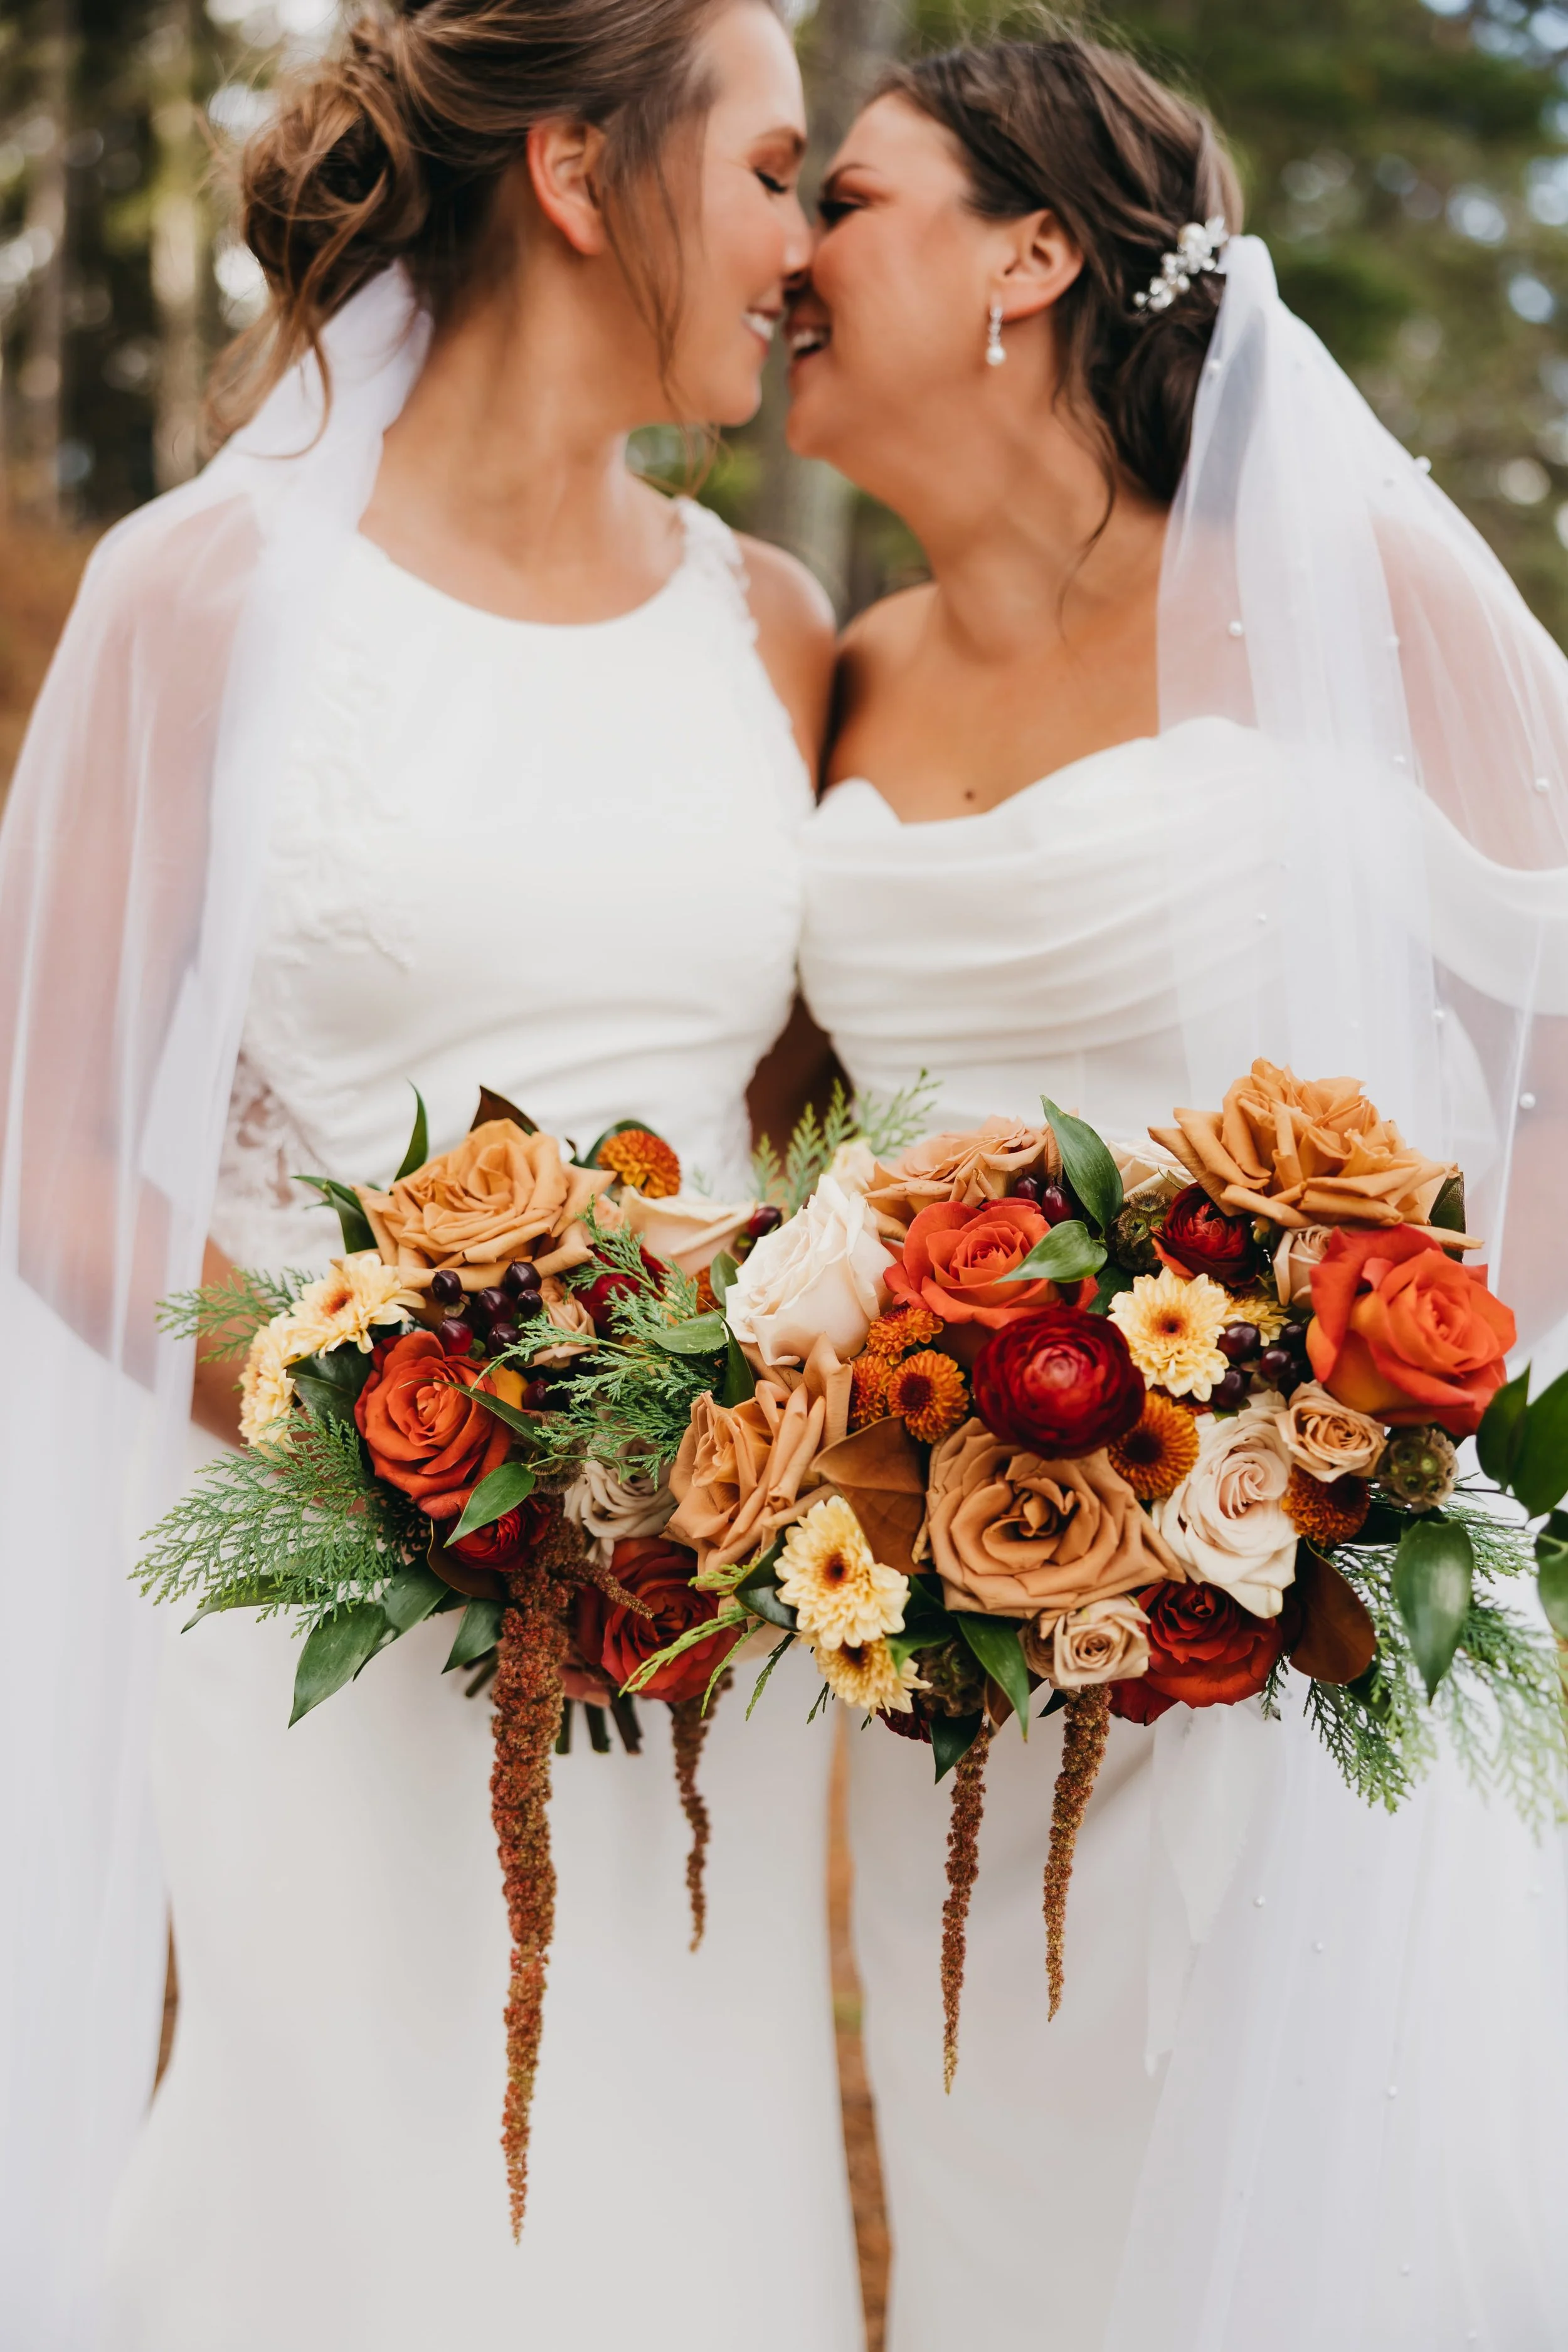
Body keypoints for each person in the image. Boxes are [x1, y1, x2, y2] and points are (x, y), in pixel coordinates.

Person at [0, 3, 866, 2344]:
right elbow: (54, 1148)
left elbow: (803, 1131)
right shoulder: (205, 599)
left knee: (681, 2205)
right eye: (775, 172)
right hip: (329, 1593)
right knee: (356, 2219)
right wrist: (396, 1445)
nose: (802, 251)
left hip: (703, 1617)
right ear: (584, 176)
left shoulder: (768, 630)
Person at [787, 28, 1568, 2352]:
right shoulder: (843, 672)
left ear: (1032, 248)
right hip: (949, 1654)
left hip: (1289, 1626)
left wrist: (1379, 1465)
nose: (791, 258)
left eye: (843, 198)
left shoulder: (1345, 601)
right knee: (1018, 2224)